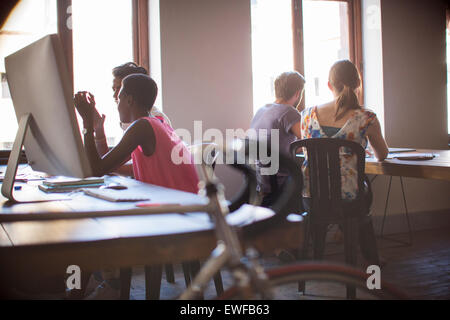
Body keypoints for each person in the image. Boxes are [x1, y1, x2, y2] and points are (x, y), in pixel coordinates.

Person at [74, 74, 199, 298]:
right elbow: (110, 163)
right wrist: (96, 128)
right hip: (181, 208)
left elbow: (97, 168)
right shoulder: (154, 124)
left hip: (175, 214)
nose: (117, 102)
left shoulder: (142, 126)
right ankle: (104, 286)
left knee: (90, 229)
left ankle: (88, 290)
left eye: (119, 97)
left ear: (130, 100)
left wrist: (85, 125)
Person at [300, 59, 388, 266]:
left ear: (330, 85)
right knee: (363, 192)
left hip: (312, 197)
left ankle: (362, 256)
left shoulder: (306, 115)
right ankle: (371, 258)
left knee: (360, 194)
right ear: (358, 85)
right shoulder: (367, 118)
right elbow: (382, 154)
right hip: (348, 199)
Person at [250, 71, 305, 263]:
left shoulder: (262, 110)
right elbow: (308, 140)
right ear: (297, 93)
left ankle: (274, 243)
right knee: (313, 184)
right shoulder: (289, 112)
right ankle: (295, 242)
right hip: (281, 180)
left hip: (260, 178)